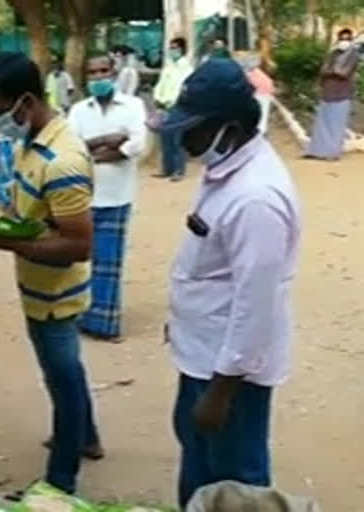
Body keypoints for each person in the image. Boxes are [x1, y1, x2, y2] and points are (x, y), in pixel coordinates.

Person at [158, 59, 301, 508]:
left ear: (230, 127)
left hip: (229, 375)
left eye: (194, 130)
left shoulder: (256, 198)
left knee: (237, 484)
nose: (184, 139)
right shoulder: (228, 171)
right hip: (202, 354)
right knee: (200, 472)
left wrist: (220, 393)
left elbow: (256, 305)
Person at [0, 52, 103, 497]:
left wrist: (2, 240)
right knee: (64, 372)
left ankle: (60, 480)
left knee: (61, 379)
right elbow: (26, 210)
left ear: (25, 102)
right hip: (36, 285)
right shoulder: (33, 139)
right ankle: (87, 436)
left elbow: (77, 245)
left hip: (57, 295)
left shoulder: (62, 160)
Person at [67, 55, 147, 341]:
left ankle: (106, 324)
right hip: (82, 196)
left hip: (117, 194)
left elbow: (137, 143)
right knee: (77, 259)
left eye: (103, 71)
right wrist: (108, 140)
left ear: (113, 73)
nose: (99, 77)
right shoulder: (78, 111)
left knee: (109, 262)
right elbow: (72, 148)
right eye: (92, 73)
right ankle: (84, 314)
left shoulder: (132, 106)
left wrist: (102, 152)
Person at [305, 28, 360, 160]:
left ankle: (332, 153)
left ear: (351, 40)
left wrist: (331, 71)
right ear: (338, 39)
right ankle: (316, 152)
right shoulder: (333, 53)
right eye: (342, 39)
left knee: (337, 125)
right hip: (327, 93)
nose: (344, 41)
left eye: (347, 39)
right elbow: (323, 70)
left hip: (342, 94)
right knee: (322, 124)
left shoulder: (354, 55)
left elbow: (343, 73)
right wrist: (332, 71)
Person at [153, 37, 193, 181]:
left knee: (177, 140)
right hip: (163, 106)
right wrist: (157, 98)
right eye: (171, 48)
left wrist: (174, 101)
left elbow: (183, 89)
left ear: (182, 50)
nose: (172, 50)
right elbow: (160, 85)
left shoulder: (187, 69)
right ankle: (167, 169)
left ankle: (178, 170)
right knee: (165, 140)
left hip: (177, 107)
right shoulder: (168, 67)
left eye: (175, 48)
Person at [242, 56, 275, 134]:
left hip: (259, 94)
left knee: (258, 112)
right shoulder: (259, 73)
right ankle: (262, 130)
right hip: (267, 94)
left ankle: (258, 130)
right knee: (264, 112)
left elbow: (246, 86)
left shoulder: (249, 74)